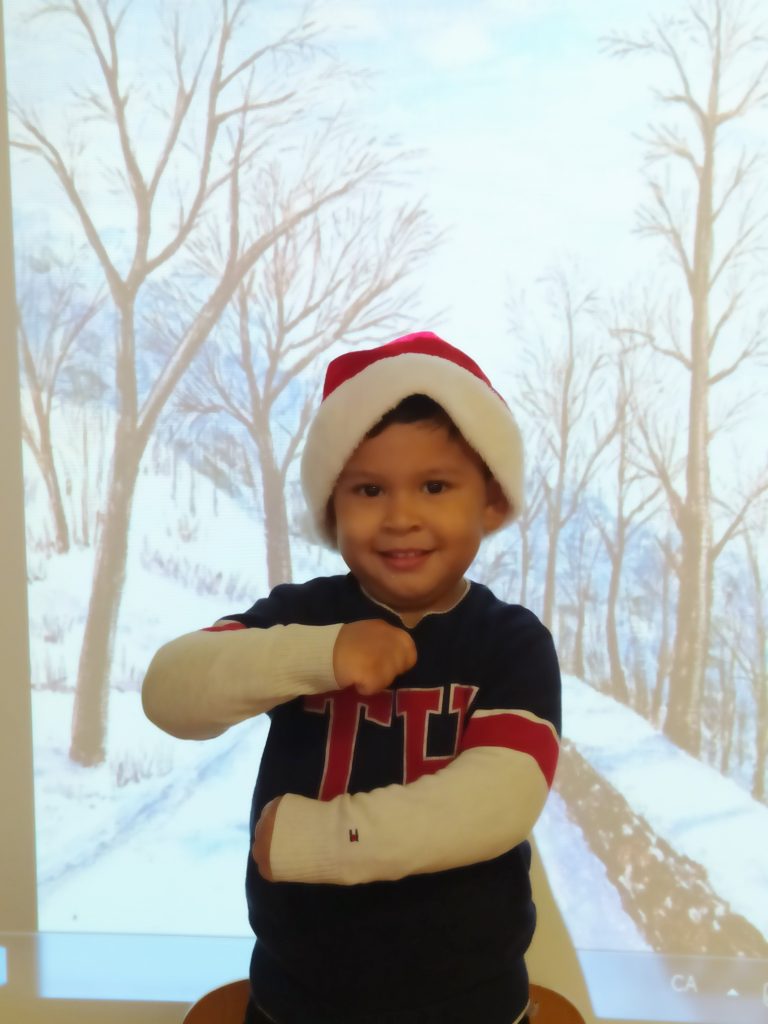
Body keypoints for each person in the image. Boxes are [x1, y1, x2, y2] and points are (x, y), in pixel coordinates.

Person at [142, 332, 561, 1024]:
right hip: (295, 998)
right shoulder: (302, 617)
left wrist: (319, 840)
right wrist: (323, 653)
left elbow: (502, 799)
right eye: (369, 489)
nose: (401, 517)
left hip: (471, 1004)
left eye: (435, 486)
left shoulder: (510, 641)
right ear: (332, 507)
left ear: (490, 501)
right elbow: (169, 692)